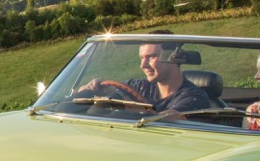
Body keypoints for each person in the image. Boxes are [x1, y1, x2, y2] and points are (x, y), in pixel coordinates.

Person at [77, 36, 210, 114]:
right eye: (141, 58)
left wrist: (120, 101)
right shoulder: (139, 86)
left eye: (151, 57)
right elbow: (114, 90)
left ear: (173, 58)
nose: (143, 65)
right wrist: (90, 90)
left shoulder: (194, 97)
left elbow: (162, 121)